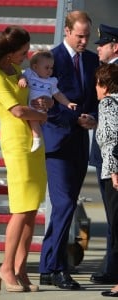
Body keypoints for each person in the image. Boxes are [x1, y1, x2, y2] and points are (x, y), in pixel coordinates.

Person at [0, 25, 48, 293]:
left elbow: (32, 101)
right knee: (20, 208)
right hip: (16, 144)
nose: (26, 56)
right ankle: (5, 266)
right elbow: (16, 110)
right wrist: (43, 116)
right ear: (10, 52)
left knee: (32, 209)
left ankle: (20, 269)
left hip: (34, 143)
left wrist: (43, 105)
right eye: (23, 52)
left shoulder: (17, 71)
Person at [34, 10, 99, 290]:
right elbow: (45, 102)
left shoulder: (91, 60)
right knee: (63, 205)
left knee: (67, 206)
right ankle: (58, 268)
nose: (84, 41)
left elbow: (94, 97)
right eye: (80, 35)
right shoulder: (52, 59)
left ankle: (47, 266)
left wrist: (92, 117)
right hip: (57, 142)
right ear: (67, 31)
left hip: (79, 142)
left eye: (87, 36)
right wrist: (75, 118)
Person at [89, 24, 118, 285]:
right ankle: (112, 269)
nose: (98, 48)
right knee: (112, 217)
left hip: (114, 161)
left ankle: (115, 272)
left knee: (115, 216)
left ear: (115, 46)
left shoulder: (112, 82)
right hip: (107, 157)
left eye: (103, 43)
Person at [18, 50, 77, 152]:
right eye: (46, 68)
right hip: (28, 105)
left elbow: (57, 94)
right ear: (35, 67)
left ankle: (37, 139)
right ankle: (36, 138)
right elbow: (22, 76)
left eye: (51, 68)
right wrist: (22, 80)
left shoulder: (51, 81)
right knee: (31, 121)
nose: (50, 70)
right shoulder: (30, 74)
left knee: (34, 119)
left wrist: (68, 103)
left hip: (40, 108)